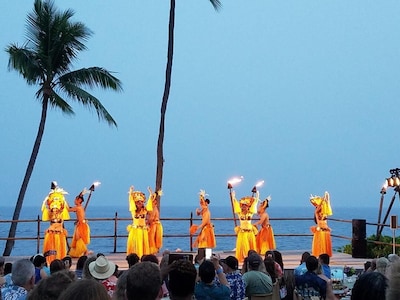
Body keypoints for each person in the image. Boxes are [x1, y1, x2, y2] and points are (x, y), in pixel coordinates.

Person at [41, 181, 71, 265]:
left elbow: (66, 208)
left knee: (59, 246)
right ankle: (50, 259)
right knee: (51, 245)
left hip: (59, 229)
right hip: (52, 229)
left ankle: (59, 258)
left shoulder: (61, 210)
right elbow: (47, 208)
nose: (54, 208)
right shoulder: (50, 209)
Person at [232, 190, 259, 263]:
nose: (244, 207)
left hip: (250, 232)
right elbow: (235, 203)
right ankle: (245, 258)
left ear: (248, 207)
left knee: (251, 247)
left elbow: (255, 203)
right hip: (243, 232)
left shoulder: (250, 213)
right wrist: (233, 197)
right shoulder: (239, 214)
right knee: (244, 246)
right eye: (243, 205)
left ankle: (251, 259)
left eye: (245, 205)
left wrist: (257, 196)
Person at [126, 186, 150, 258]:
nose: (140, 203)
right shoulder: (133, 211)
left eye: (142, 202)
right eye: (138, 202)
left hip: (143, 230)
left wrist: (151, 194)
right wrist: (130, 192)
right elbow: (131, 202)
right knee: (135, 246)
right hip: (135, 230)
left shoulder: (145, 210)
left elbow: (150, 204)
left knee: (143, 246)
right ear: (135, 203)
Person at [68, 189, 91, 258]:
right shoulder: (80, 207)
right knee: (79, 239)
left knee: (79, 238)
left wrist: (65, 203)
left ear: (78, 200)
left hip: (81, 225)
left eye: (75, 199)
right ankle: (84, 251)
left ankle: (86, 251)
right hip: (81, 224)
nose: (74, 201)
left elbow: (69, 210)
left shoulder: (78, 208)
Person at [310, 191, 333, 257]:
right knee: (321, 244)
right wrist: (322, 200)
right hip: (320, 229)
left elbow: (327, 202)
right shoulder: (317, 212)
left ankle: (325, 256)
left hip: (325, 229)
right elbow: (320, 205)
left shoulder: (325, 212)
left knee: (325, 244)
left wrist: (326, 196)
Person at [147, 187, 163, 255]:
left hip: (154, 225)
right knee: (153, 238)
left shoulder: (153, 208)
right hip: (155, 224)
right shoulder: (154, 208)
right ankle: (153, 251)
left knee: (152, 239)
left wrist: (147, 222)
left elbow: (152, 218)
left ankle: (152, 252)